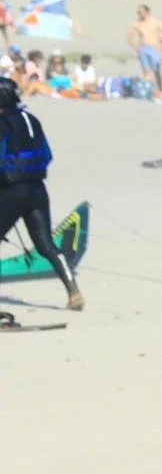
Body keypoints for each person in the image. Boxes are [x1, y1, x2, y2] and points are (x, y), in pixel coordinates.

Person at [0, 77, 84, 310]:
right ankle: (73, 292)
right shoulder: (32, 120)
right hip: (37, 189)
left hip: (12, 191)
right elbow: (46, 155)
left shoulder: (2, 122)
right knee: (46, 244)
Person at [126, 5, 162, 99]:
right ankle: (148, 91)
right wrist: (135, 47)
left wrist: (161, 43)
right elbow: (129, 35)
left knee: (156, 70)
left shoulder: (155, 21)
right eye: (138, 12)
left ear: (147, 12)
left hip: (154, 48)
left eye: (141, 12)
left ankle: (160, 90)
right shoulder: (138, 23)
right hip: (143, 48)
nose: (139, 14)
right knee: (146, 71)